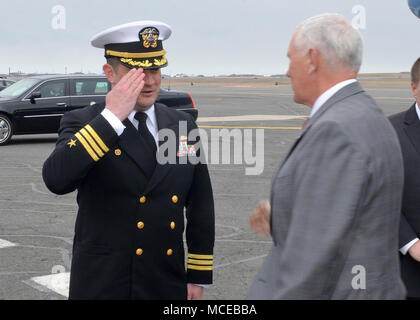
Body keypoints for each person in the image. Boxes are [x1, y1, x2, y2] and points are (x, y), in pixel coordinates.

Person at [42, 21, 215, 300]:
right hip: (104, 281)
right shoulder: (84, 122)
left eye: (155, 69)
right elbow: (56, 179)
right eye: (137, 71)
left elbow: (200, 203)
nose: (149, 81)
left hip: (166, 278)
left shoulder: (181, 124)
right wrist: (111, 118)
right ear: (110, 73)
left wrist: (197, 274)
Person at [247, 13, 406, 299]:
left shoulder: (335, 131)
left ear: (312, 59)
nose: (286, 72)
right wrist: (285, 216)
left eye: (289, 59)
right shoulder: (368, 114)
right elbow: (348, 217)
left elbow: (309, 269)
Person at [389, 57, 420, 300]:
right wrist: (411, 244)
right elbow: (379, 195)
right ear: (413, 88)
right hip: (408, 272)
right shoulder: (389, 130)